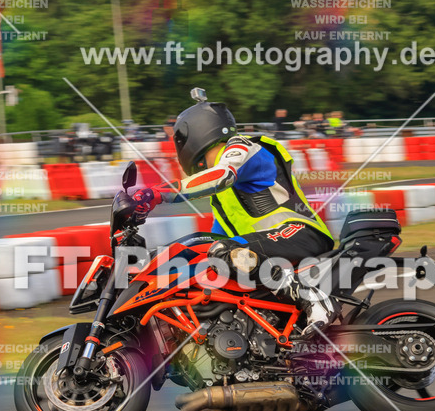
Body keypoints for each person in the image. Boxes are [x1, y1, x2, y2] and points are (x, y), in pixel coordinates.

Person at [131, 88, 339, 337]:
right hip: (267, 247)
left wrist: (157, 193)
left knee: (223, 252)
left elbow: (222, 176)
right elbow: (211, 240)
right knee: (206, 258)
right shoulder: (222, 198)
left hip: (300, 234)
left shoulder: (242, 148)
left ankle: (315, 299)